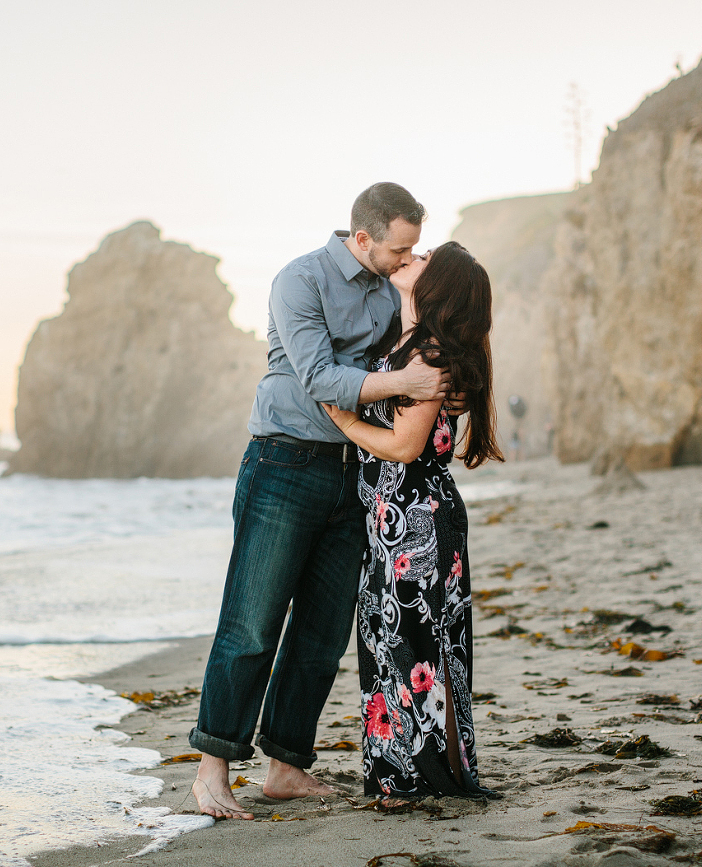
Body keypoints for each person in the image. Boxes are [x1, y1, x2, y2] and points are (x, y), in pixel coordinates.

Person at [189, 183, 452, 820]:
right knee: (252, 623)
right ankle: (212, 770)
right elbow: (320, 380)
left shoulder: (395, 289)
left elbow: (408, 355)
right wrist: (406, 381)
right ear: (361, 238)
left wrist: (418, 316)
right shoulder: (298, 281)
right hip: (284, 463)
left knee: (321, 631)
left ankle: (284, 767)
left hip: (357, 473)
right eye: (398, 249)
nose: (405, 259)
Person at [323, 241, 502, 799]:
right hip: (395, 518)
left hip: (416, 517)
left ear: (438, 287)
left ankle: (427, 772)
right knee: (394, 636)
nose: (412, 255)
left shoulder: (429, 356)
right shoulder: (405, 345)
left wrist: (342, 418)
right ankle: (411, 768)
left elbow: (402, 447)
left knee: (417, 642)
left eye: (426, 257)